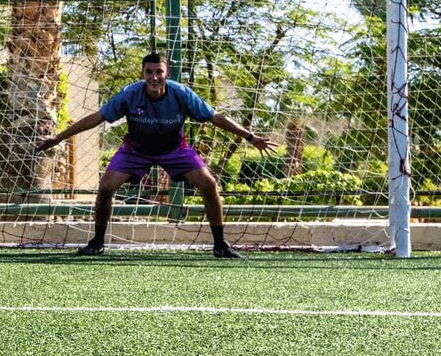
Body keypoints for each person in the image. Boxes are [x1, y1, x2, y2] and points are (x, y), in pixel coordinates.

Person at [37, 51, 273, 259]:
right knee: (106, 187)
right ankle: (97, 243)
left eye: (159, 71)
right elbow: (98, 117)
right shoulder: (130, 94)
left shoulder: (181, 93)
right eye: (149, 72)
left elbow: (215, 117)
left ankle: (220, 245)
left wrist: (250, 137)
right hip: (135, 150)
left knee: (209, 184)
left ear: (166, 73)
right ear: (142, 74)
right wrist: (58, 137)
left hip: (174, 150)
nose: (154, 77)